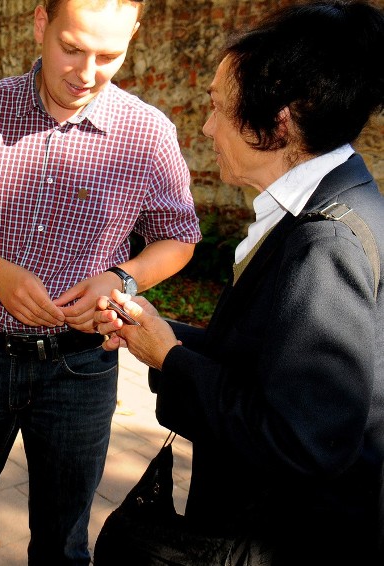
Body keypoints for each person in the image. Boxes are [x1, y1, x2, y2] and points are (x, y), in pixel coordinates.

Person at [0, 0, 202, 563]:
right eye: (72, 48)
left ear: (134, 36)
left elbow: (180, 235)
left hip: (82, 368)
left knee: (64, 543)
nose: (86, 73)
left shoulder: (147, 133)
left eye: (109, 55)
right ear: (42, 25)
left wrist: (123, 276)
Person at [102, 2, 384, 564]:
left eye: (216, 107)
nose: (205, 127)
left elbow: (301, 438)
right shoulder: (333, 205)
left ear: (276, 122)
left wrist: (173, 360)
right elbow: (273, 363)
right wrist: (158, 335)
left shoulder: (325, 243)